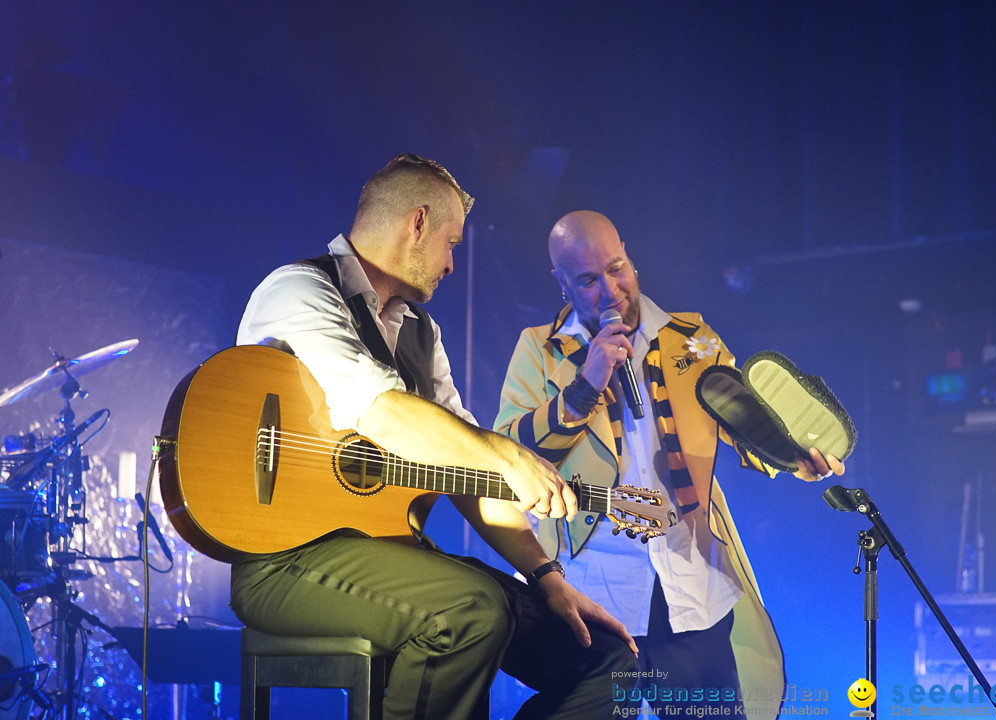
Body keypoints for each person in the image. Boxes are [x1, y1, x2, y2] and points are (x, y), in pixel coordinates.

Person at [230, 157, 637, 720]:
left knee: (605, 658)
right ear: (416, 224)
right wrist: (509, 454)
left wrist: (547, 576)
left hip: (392, 555)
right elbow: (384, 414)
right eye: (450, 243)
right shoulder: (298, 290)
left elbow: (465, 463)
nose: (451, 263)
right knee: (472, 610)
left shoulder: (421, 331)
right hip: (285, 562)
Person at [495, 210, 847, 717]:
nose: (610, 290)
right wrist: (583, 386)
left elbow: (747, 426)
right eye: (589, 280)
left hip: (688, 582)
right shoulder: (539, 350)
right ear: (563, 284)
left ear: (629, 258)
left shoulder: (692, 338)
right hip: (593, 586)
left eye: (617, 268)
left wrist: (794, 459)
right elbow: (508, 452)